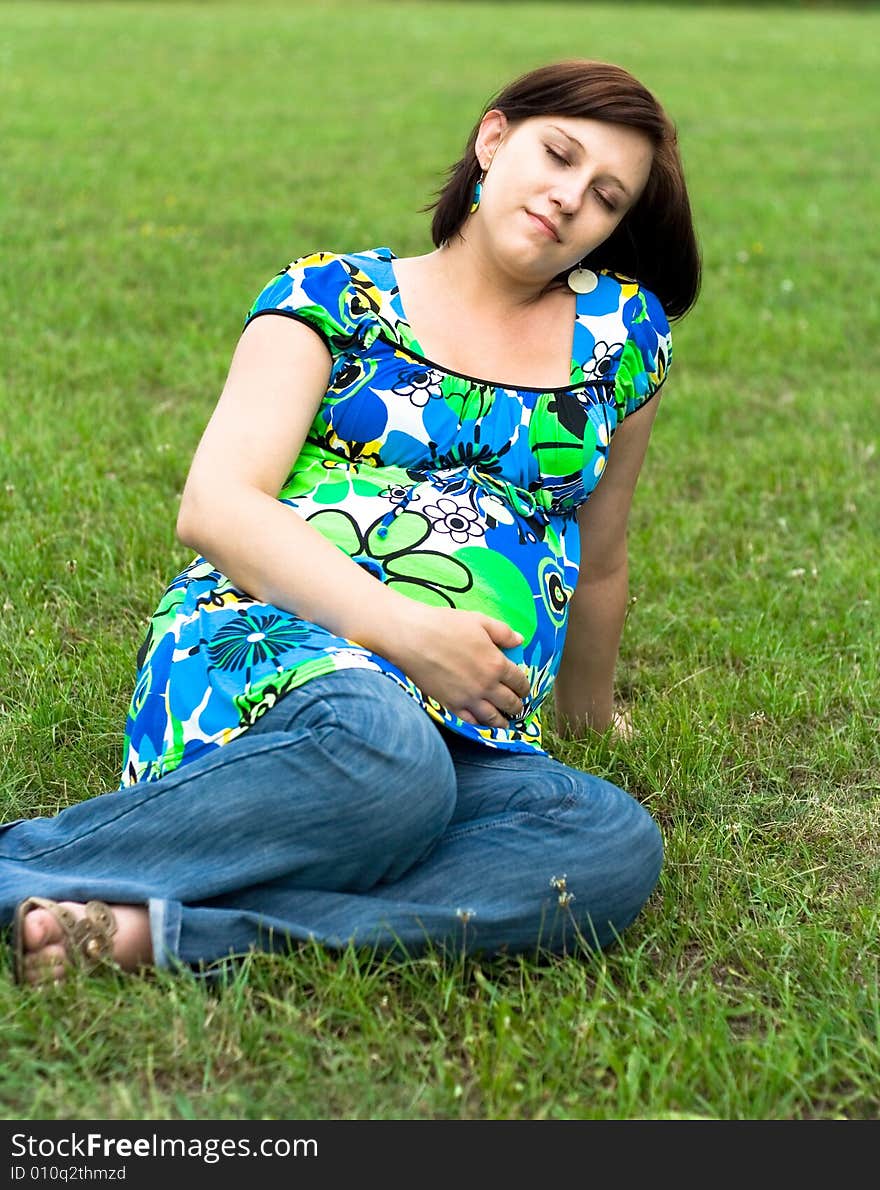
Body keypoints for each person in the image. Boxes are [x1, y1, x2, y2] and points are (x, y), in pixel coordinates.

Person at [3, 58, 700, 985]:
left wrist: (588, 720)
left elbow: (601, 554)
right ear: (494, 140)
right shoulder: (330, 298)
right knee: (385, 757)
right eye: (558, 155)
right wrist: (409, 635)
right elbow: (217, 505)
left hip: (469, 731)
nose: (571, 197)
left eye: (606, 196)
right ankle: (28, 864)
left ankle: (148, 932)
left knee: (606, 841)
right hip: (276, 659)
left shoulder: (624, 337)